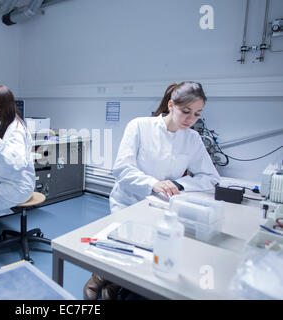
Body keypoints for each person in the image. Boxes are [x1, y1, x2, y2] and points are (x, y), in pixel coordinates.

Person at [83, 81, 221, 300]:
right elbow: (122, 169)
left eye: (197, 114)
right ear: (171, 105)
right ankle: (99, 276)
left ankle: (116, 283)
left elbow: (211, 178)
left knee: (145, 252)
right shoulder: (139, 126)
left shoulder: (192, 138)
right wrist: (152, 183)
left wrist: (180, 184)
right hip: (128, 201)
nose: (191, 119)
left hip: (162, 206)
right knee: (121, 243)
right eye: (186, 111)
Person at [0, 85, 35, 241]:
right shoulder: (2, 123)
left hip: (17, 185)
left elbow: (18, 163)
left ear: (4, 106)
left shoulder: (16, 129)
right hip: (1, 178)